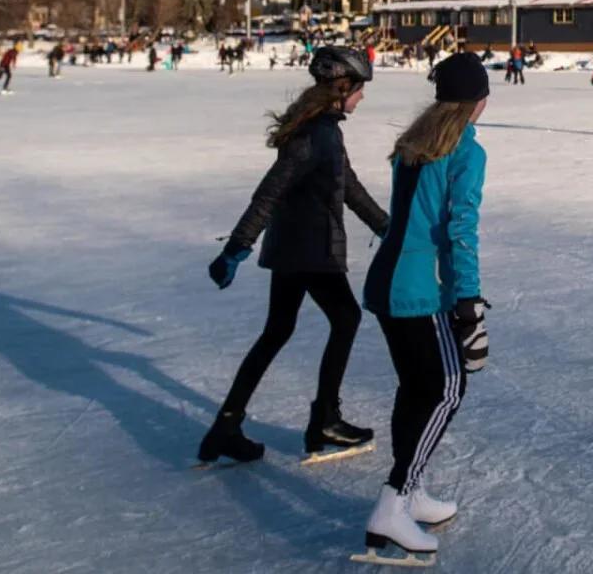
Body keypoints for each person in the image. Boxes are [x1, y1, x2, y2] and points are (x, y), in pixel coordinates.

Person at [199, 46, 388, 468]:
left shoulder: (324, 130)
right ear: (341, 88)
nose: (362, 97)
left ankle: (227, 426)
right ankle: (325, 420)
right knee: (346, 318)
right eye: (359, 89)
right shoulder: (314, 134)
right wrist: (236, 247)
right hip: (311, 250)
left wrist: (385, 226)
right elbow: (269, 192)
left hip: (293, 249)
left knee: (277, 330)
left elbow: (348, 186)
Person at [356, 52, 490, 566]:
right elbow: (461, 232)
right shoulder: (465, 150)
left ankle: (409, 495)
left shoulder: (415, 143)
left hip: (386, 281)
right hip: (418, 290)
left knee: (417, 388)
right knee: (447, 389)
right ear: (477, 101)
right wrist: (468, 303)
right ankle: (394, 502)